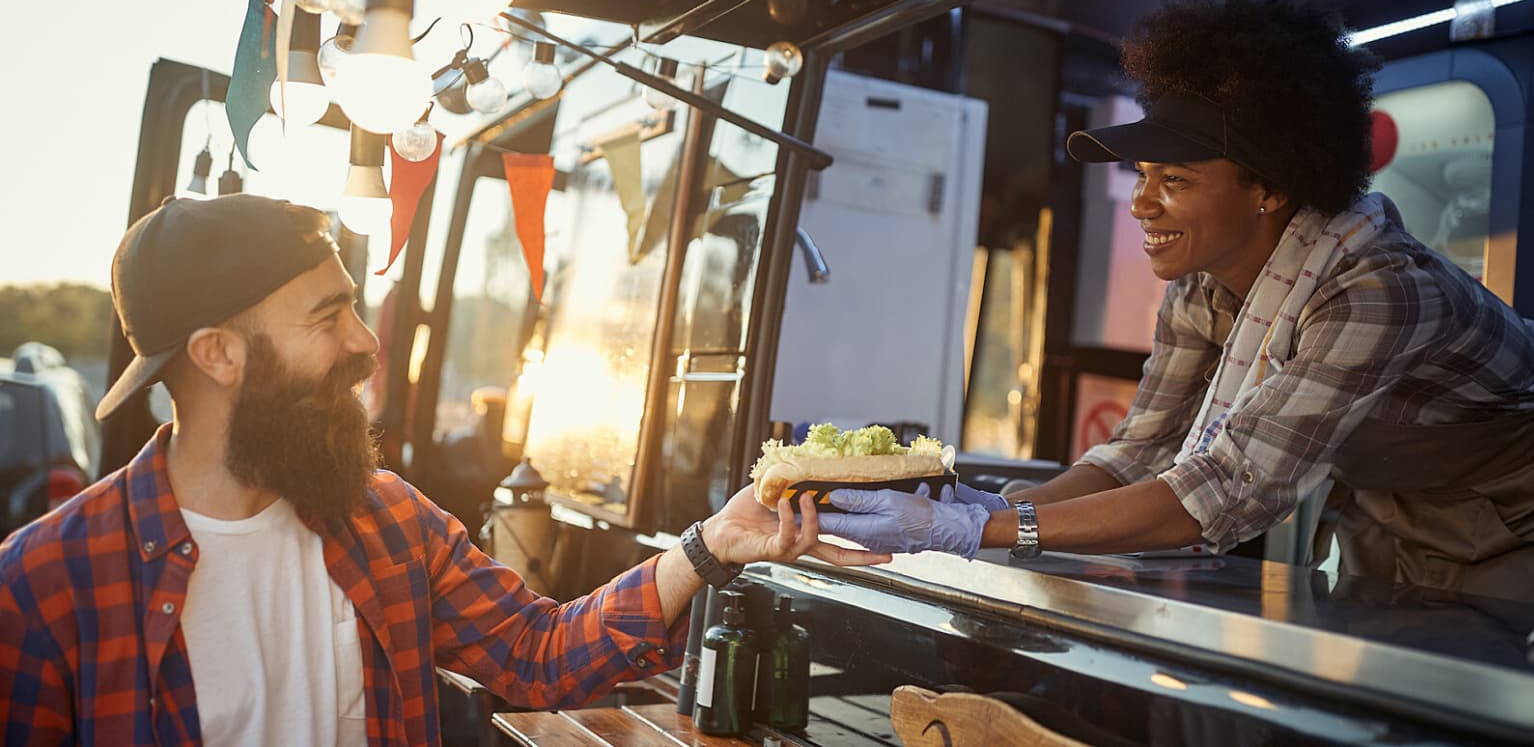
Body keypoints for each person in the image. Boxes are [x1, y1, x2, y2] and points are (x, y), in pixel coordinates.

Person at [0, 195, 889, 745]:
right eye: (328, 317)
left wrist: (707, 545)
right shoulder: (44, 583)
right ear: (217, 353)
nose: (364, 343)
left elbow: (538, 654)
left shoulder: (383, 516)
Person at [821, 0, 1534, 602]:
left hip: (1520, 525)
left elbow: (1227, 488)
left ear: (1270, 187)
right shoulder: (1200, 289)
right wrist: (992, 508)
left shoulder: (1376, 291)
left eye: (1175, 180)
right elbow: (1143, 450)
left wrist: (981, 530)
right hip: (1389, 515)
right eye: (1141, 174)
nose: (1142, 203)